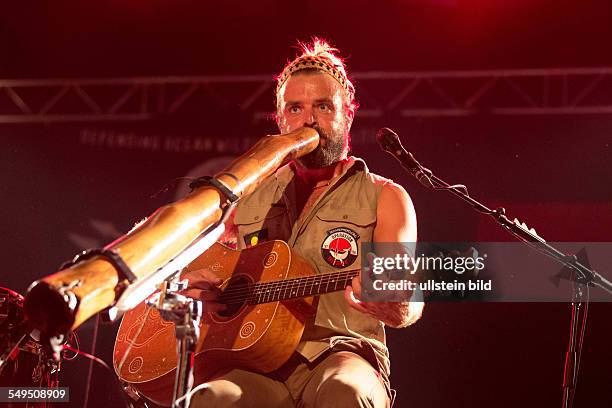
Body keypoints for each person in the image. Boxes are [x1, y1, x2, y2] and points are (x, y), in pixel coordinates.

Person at [184, 38, 424, 408]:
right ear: (280, 121)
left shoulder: (385, 196)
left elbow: (408, 298)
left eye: (324, 106)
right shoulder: (247, 194)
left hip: (342, 354)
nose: (309, 120)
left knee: (346, 391)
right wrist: (196, 287)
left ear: (348, 114)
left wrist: (397, 304)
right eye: (295, 108)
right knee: (209, 398)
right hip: (254, 360)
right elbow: (193, 263)